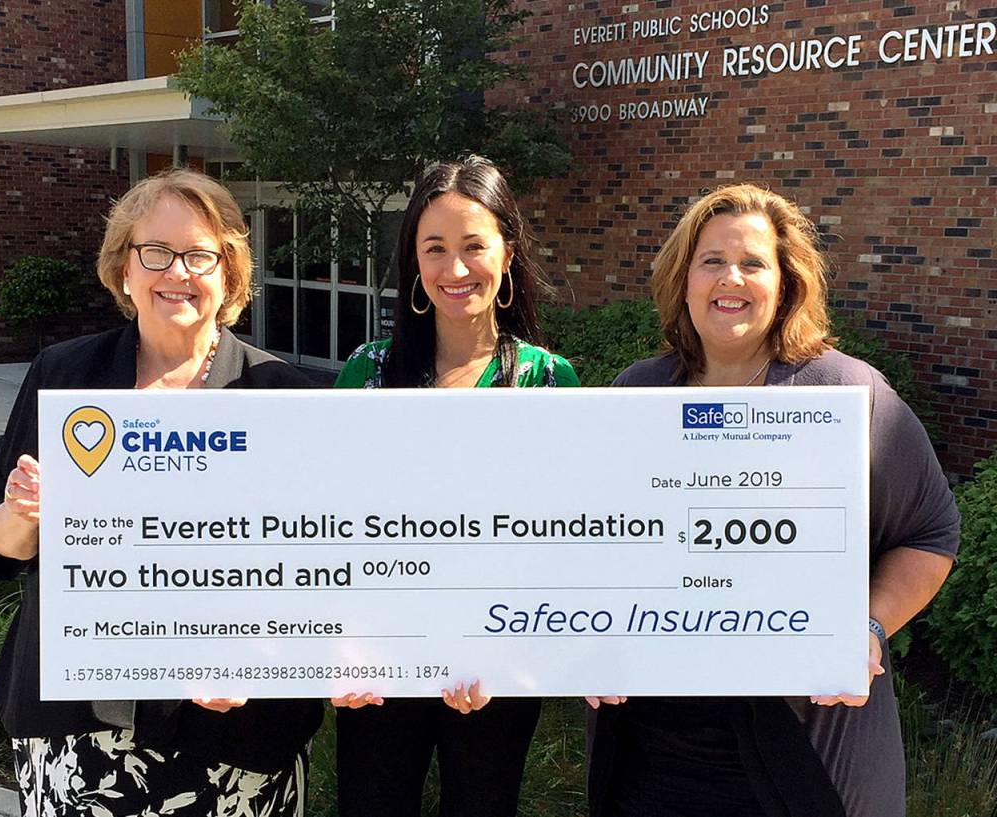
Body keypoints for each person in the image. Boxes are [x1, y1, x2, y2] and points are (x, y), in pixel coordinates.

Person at [588, 184, 959, 817]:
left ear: (784, 284)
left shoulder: (847, 394)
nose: (730, 278)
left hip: (796, 744)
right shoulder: (639, 391)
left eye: (753, 263)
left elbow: (928, 535)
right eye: (711, 260)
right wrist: (585, 639)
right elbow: (601, 540)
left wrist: (867, 626)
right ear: (684, 279)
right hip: (653, 744)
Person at [0, 169, 323, 817]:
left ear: (229, 273)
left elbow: (314, 567)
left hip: (232, 732)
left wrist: (263, 660)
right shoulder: (66, 375)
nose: (177, 273)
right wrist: (24, 514)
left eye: (199, 254)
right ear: (124, 267)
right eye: (156, 252)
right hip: (79, 723)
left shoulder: (283, 393)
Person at [332, 156, 579, 817]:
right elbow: (330, 519)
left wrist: (507, 652)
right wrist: (344, 640)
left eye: (474, 245)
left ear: (506, 252)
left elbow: (566, 534)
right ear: (413, 260)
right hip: (380, 661)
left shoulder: (548, 380)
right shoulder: (369, 370)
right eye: (434, 248)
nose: (455, 268)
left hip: (495, 663)